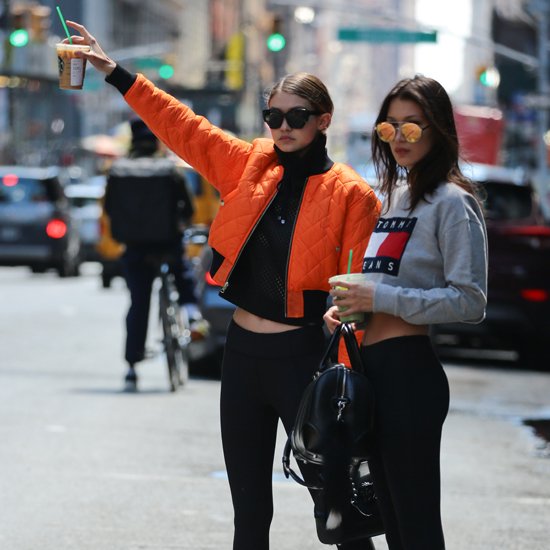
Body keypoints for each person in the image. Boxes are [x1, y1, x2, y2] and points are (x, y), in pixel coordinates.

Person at [63, 21, 381, 549]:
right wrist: (113, 71)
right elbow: (182, 125)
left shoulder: (352, 194)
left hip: (306, 357)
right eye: (273, 116)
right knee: (249, 509)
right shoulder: (249, 165)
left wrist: (353, 365)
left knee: (335, 506)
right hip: (243, 355)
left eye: (296, 117)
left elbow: (358, 289)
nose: (282, 126)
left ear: (323, 121)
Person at [324, 75, 488, 550]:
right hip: (370, 370)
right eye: (389, 128)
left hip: (410, 375)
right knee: (390, 521)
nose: (399, 139)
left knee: (415, 526)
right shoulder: (390, 198)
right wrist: (351, 311)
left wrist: (379, 300)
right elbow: (388, 283)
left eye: (412, 128)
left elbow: (469, 300)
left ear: (438, 131)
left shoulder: (454, 203)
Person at [105, 117, 203, 391]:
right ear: (156, 141)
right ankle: (193, 315)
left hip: (134, 247)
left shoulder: (118, 170)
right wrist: (179, 224)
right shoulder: (169, 170)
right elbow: (188, 209)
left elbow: (110, 209)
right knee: (182, 274)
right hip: (167, 244)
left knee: (139, 303)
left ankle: (132, 366)